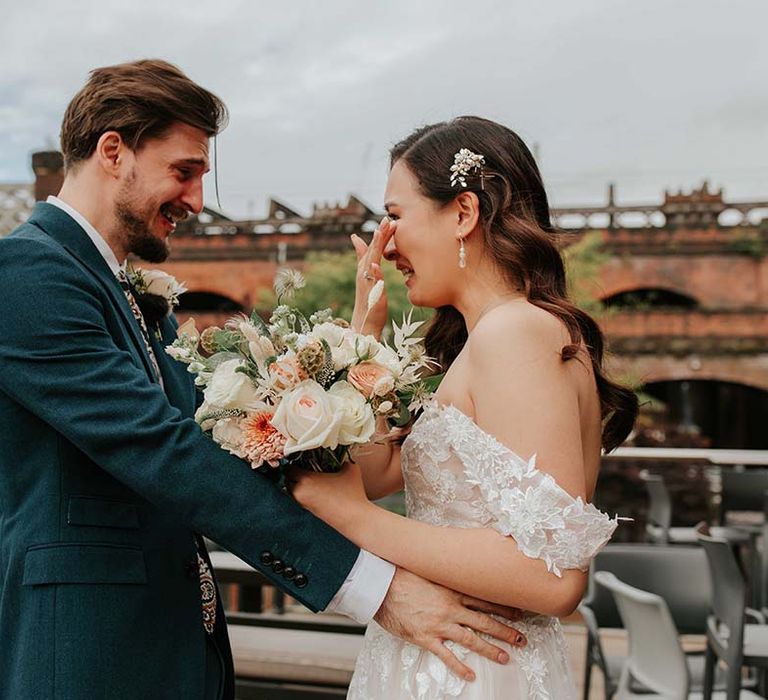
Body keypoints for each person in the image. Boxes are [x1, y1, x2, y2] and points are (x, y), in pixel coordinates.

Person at [0, 65, 525, 699]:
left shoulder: (126, 290)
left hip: (166, 642)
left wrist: (351, 369)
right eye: (184, 171)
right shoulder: (27, 274)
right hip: (84, 651)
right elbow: (161, 449)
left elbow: (233, 441)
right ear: (113, 152)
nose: (196, 200)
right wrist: (372, 589)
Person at [291, 116, 639, 698]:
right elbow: (377, 474)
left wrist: (352, 519)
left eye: (396, 216)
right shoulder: (480, 343)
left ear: (463, 213)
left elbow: (550, 575)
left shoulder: (517, 333)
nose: (387, 242)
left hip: (478, 669)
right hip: (438, 653)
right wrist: (363, 335)